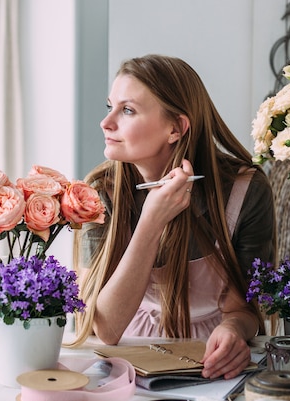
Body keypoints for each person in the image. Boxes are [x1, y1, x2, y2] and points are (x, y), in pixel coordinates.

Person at [71, 54, 276, 380]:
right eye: (109, 106)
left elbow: (244, 308)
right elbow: (105, 327)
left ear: (176, 128)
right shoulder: (99, 192)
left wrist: (234, 329)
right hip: (125, 357)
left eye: (127, 110)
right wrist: (151, 221)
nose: (106, 122)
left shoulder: (245, 191)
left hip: (210, 364)